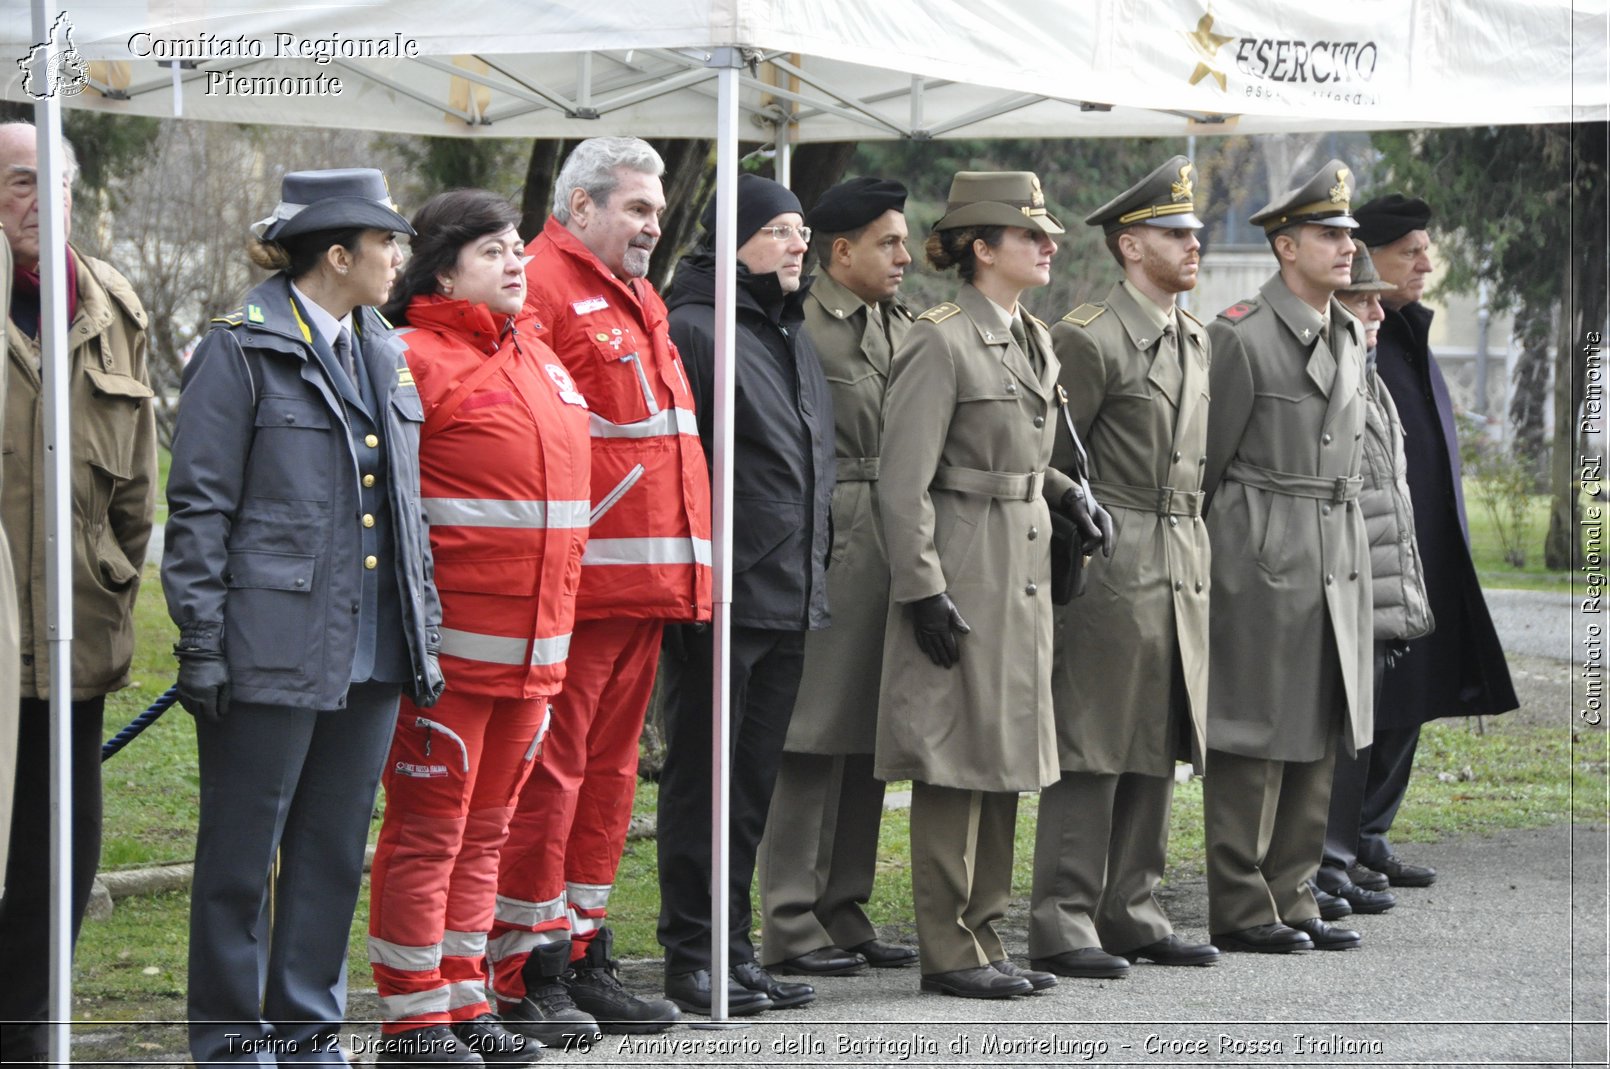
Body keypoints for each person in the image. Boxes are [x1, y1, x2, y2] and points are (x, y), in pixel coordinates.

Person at [164, 168, 445, 1066]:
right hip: (268, 643)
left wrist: (422, 632)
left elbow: (407, 510)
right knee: (242, 856)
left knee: (329, 851)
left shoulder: (386, 350)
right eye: (386, 243)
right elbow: (201, 511)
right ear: (337, 253)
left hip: (371, 647)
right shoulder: (239, 351)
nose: (400, 258)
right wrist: (202, 643)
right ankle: (229, 1034)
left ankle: (306, 1028)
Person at [363, 189, 591, 1066]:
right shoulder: (410, 355)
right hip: (447, 656)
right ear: (443, 265)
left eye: (516, 248)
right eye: (492, 251)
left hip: (535, 654)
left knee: (487, 831)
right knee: (428, 831)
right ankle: (413, 1020)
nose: (516, 262)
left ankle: (463, 1000)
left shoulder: (537, 355)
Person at [490, 137, 706, 1040]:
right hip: (577, 591)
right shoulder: (540, 283)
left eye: (657, 211)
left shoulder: (638, 294)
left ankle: (581, 948)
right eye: (637, 209)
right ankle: (523, 966)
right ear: (579, 207)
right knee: (552, 778)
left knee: (609, 780)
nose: (654, 226)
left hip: (643, 586)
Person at [876, 171, 1096, 1000]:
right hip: (965, 562)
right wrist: (923, 588)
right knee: (953, 756)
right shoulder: (940, 339)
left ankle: (987, 932)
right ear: (981, 247)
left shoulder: (1029, 333)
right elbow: (904, 482)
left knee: (1005, 753)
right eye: (1028, 234)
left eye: (1047, 234)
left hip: (1023, 564)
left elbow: (1030, 460)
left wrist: (1073, 496)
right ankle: (949, 945)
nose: (1047, 246)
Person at [1028, 156, 1218, 980]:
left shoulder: (1193, 336)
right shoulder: (1090, 333)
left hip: (1182, 545)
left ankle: (1132, 906)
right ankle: (1063, 915)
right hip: (1113, 542)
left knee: (1160, 733)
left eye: (1197, 232)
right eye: (1177, 233)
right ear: (1131, 245)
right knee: (1093, 736)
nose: (1195, 245)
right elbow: (1049, 456)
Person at [657, 172, 835, 1016]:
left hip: (789, 592)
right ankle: (692, 954)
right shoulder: (697, 328)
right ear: (736, 240)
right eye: (783, 229)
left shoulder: (787, 331)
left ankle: (733, 949)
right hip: (722, 597)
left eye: (802, 230)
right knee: (704, 781)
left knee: (751, 785)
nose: (800, 242)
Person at [0, 121, 156, 1062]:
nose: (37, 202)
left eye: (51, 183)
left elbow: (137, 487)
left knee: (58, 859)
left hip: (75, 637)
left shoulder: (114, 306)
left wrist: (111, 577)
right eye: (18, 183)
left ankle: (29, 1031)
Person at [1200, 159, 1372, 955]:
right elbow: (1205, 462)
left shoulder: (1348, 330)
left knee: (1320, 718)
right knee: (1251, 722)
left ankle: (1293, 888)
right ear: (1283, 244)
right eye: (1328, 233)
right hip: (1262, 538)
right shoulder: (1239, 332)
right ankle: (1240, 901)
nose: (1346, 247)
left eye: (1348, 233)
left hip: (1333, 540)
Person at [756, 176, 919, 978]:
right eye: (889, 242)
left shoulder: (905, 325)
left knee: (869, 734)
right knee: (813, 734)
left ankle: (843, 905)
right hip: (833, 531)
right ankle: (789, 915)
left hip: (897, 534)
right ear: (841, 249)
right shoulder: (802, 325)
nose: (905, 256)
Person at [1349, 194, 1517, 888]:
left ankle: (1370, 833)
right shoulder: (1359, 337)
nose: (1426, 261)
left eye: (1425, 247)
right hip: (1371, 555)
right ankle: (1340, 840)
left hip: (1426, 553)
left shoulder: (1410, 331)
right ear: (1370, 260)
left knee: (1414, 694)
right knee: (1373, 700)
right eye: (1409, 251)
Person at [1312, 241, 1434, 920]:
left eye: (1375, 299)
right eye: (1362, 299)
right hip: (1344, 576)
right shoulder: (1336, 370)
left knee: (1357, 733)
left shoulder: (1367, 370)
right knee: (1334, 734)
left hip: (1375, 581)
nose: (1377, 309)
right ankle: (1325, 863)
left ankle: (1338, 858)